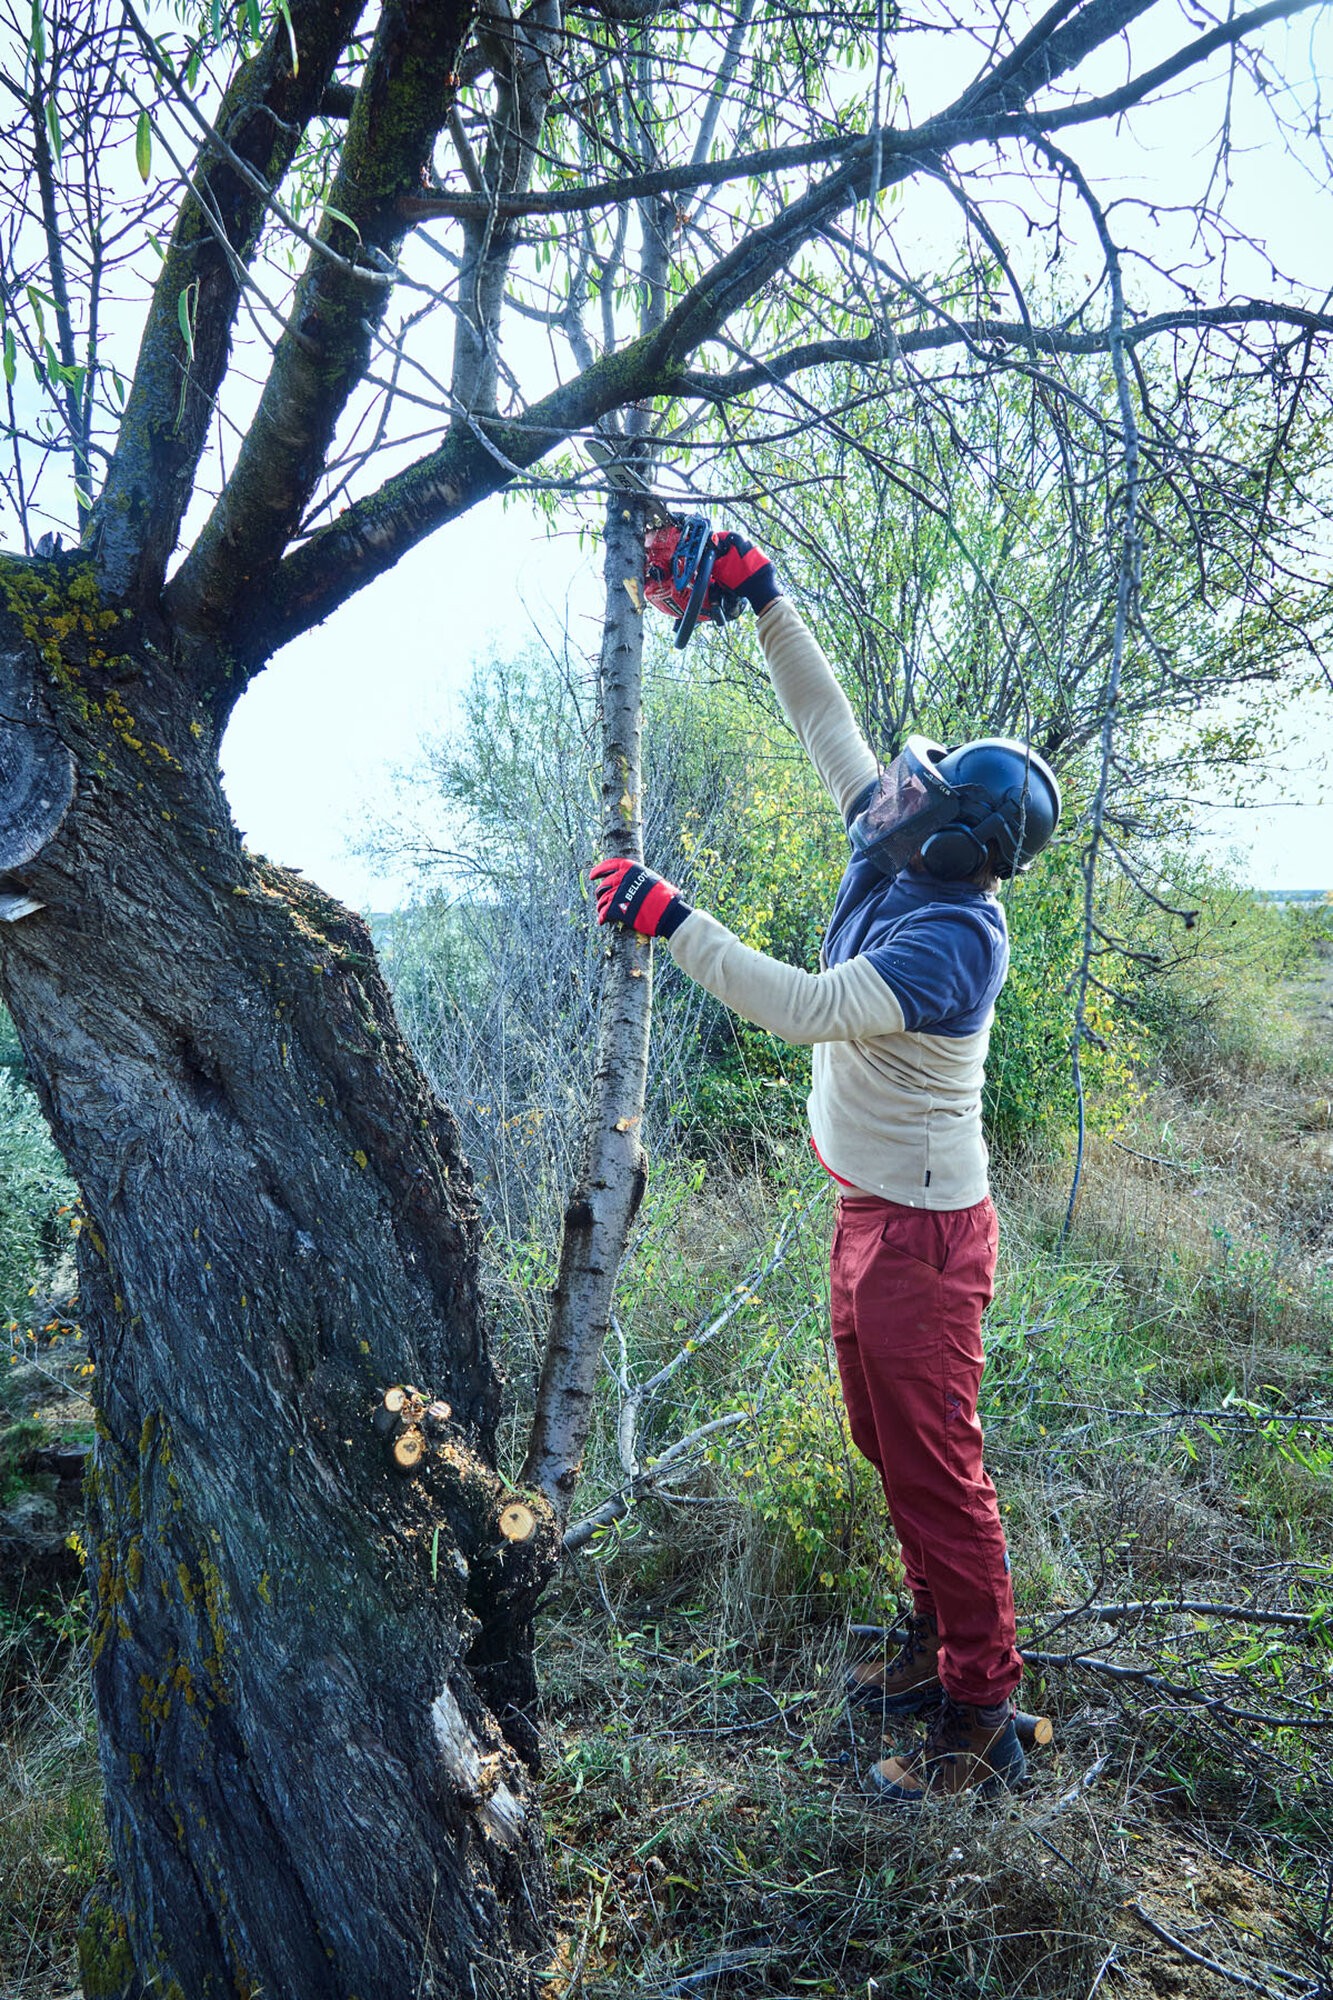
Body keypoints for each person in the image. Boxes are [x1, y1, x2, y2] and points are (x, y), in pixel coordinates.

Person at [590, 530, 1061, 1803]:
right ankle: (932, 1640)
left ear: (958, 839)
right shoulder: (906, 842)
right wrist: (762, 596)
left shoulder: (952, 939)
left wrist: (672, 916)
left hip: (923, 1234)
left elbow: (802, 1006)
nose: (891, 792)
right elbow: (826, 724)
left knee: (936, 1467)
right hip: (872, 1211)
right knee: (884, 1440)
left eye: (921, 792)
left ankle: (983, 1710)